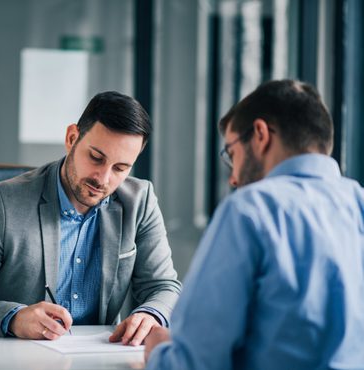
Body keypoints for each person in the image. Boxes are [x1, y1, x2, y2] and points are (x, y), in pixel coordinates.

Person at [0, 91, 182, 344]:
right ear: (72, 138)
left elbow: (164, 287)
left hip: (101, 357)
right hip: (18, 358)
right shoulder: (2, 202)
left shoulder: (140, 201)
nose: (103, 179)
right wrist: (14, 318)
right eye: (96, 157)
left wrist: (152, 314)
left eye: (120, 168)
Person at [144, 79, 364, 369]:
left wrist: (159, 351)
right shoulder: (358, 203)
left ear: (260, 135)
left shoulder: (250, 210)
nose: (233, 178)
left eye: (232, 153)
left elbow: (196, 362)